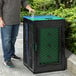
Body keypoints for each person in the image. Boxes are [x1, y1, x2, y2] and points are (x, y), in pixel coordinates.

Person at [0, 0, 35, 68]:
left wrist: (29, 8)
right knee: (6, 41)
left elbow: (24, 1)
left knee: (13, 39)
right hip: (6, 21)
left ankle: (12, 54)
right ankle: (7, 59)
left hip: (16, 20)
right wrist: (0, 20)